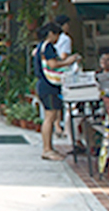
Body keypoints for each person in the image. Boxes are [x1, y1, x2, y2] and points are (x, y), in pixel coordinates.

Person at [34, 22, 80, 161]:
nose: (58, 38)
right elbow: (52, 64)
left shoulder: (40, 47)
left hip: (44, 85)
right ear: (51, 34)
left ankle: (49, 148)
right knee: (50, 117)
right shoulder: (47, 47)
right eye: (57, 34)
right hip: (48, 86)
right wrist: (68, 61)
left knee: (51, 117)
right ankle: (47, 149)